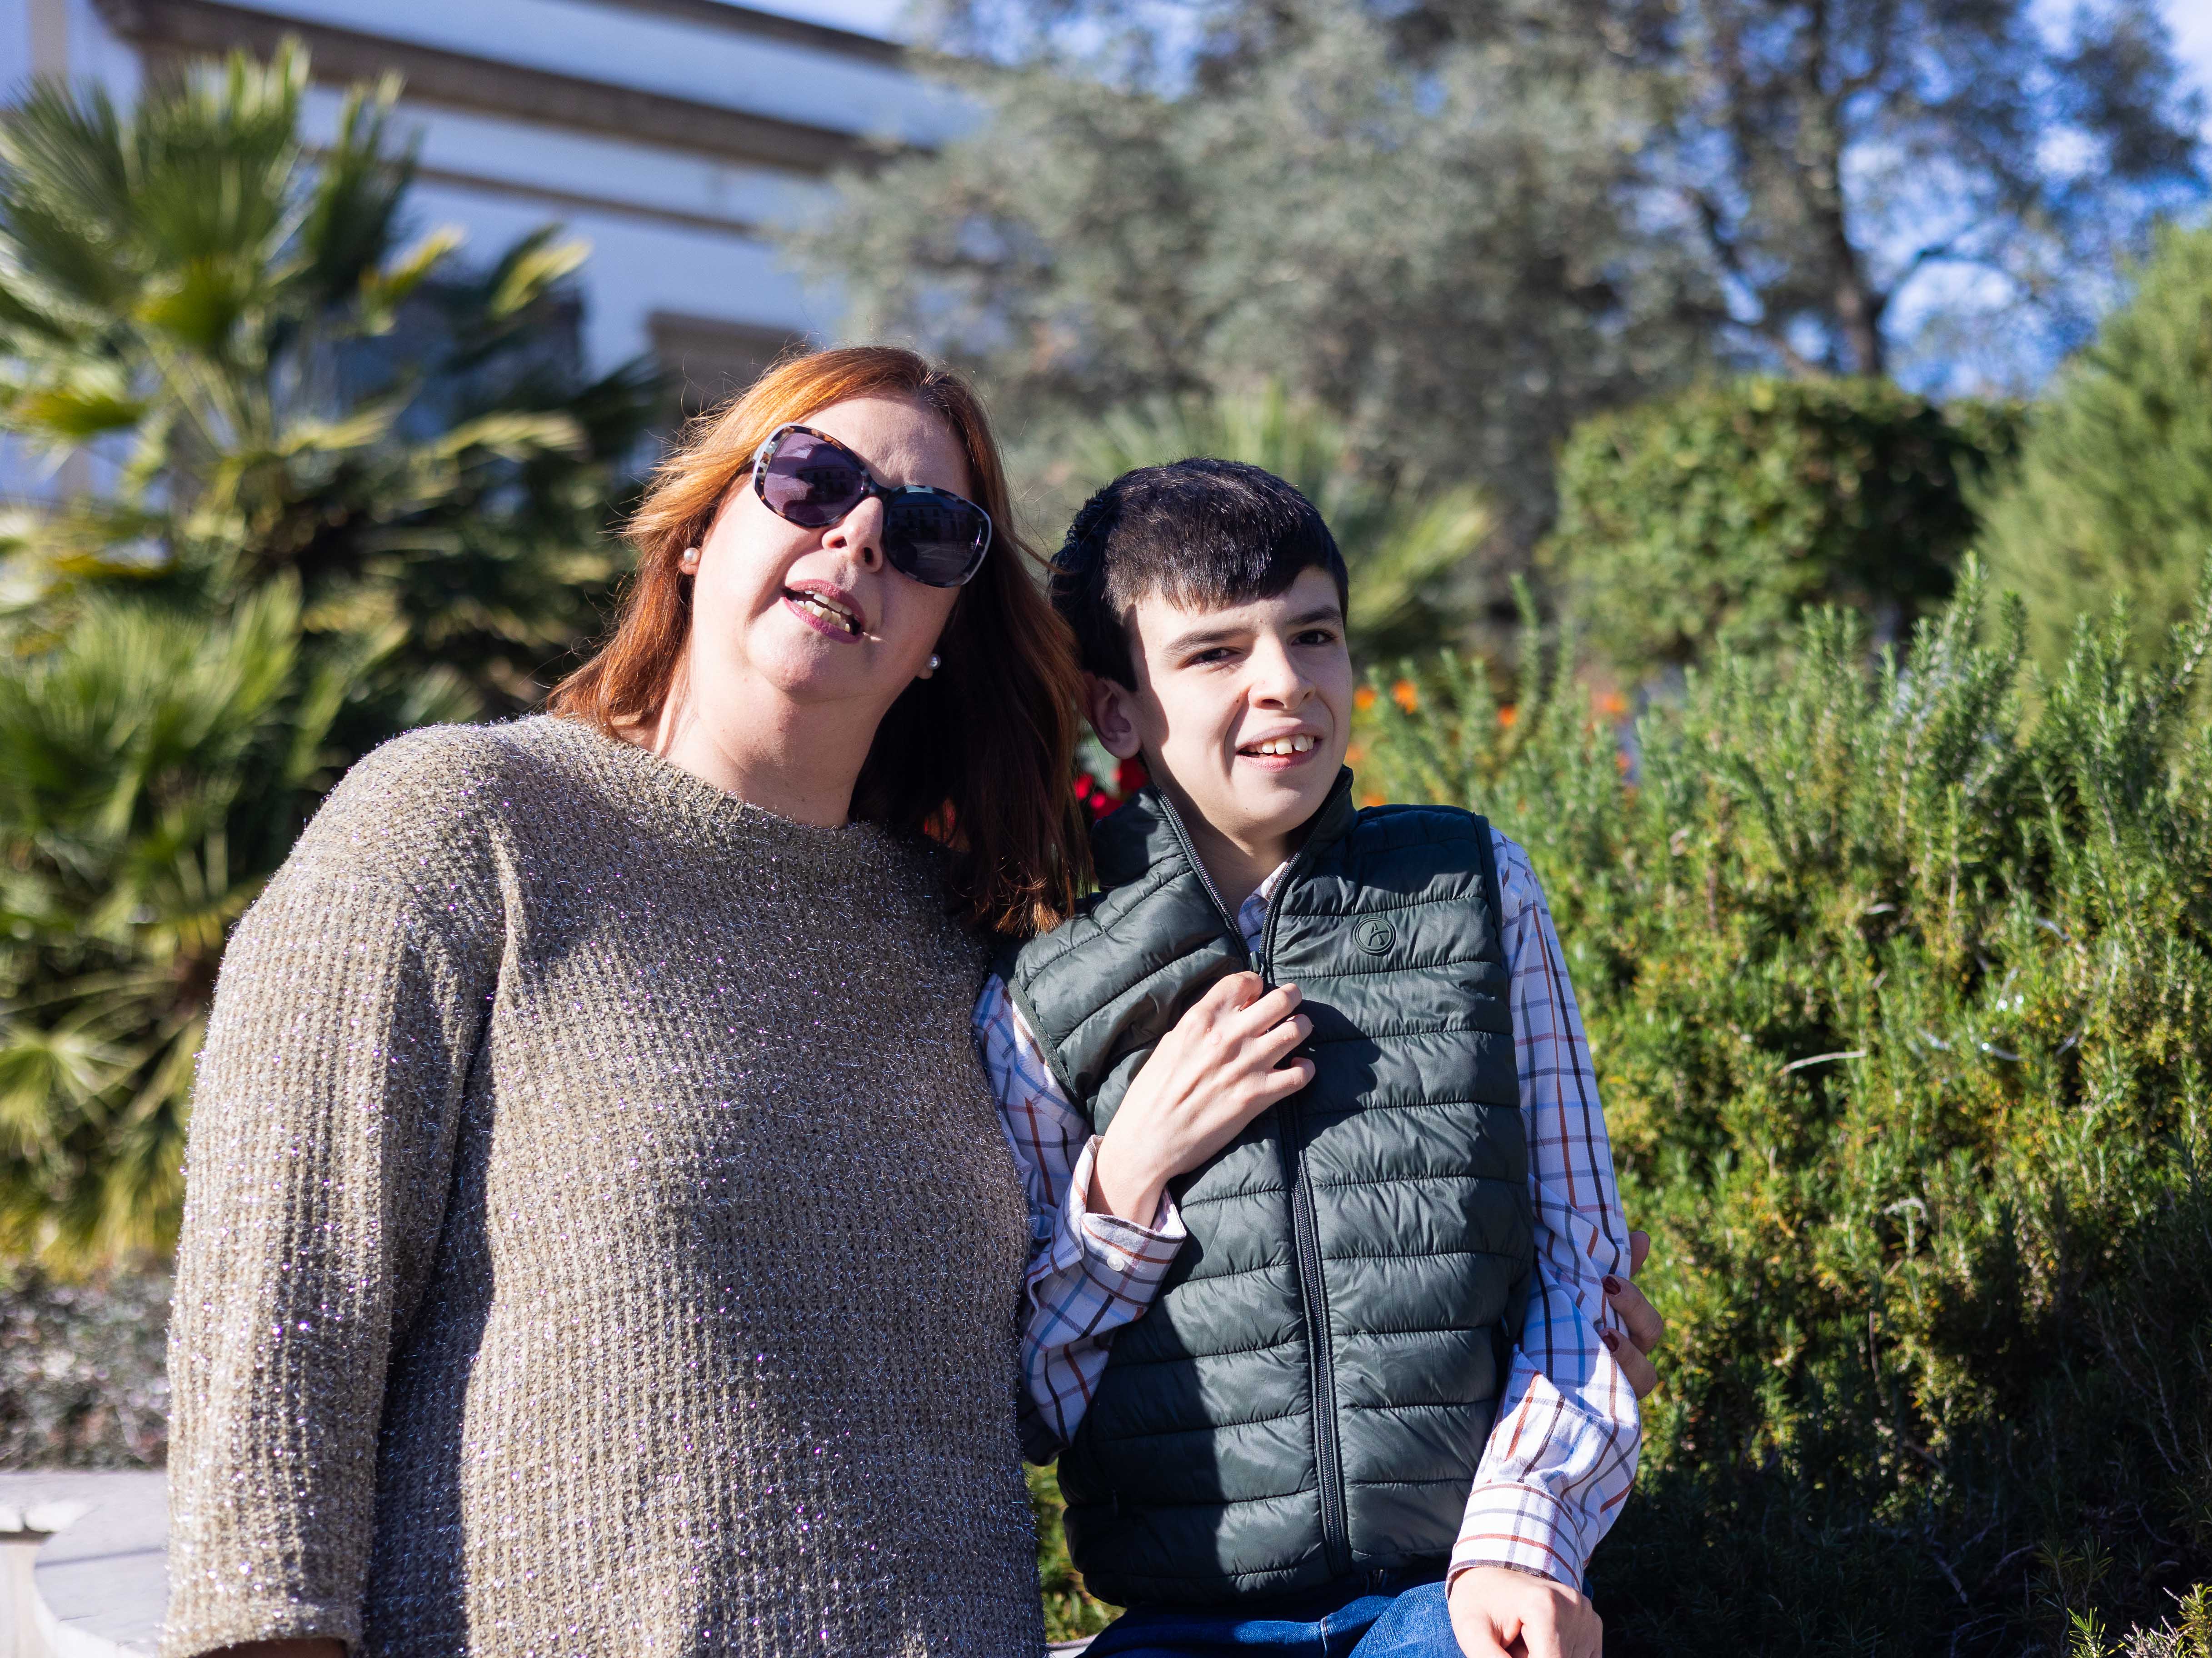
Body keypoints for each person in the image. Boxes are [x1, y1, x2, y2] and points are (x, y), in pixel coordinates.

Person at [160, 346, 1091, 1658]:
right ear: (703, 531)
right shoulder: (467, 824)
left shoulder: (965, 943)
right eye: (813, 480)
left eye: (933, 531)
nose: (865, 532)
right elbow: (284, 1291)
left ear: (948, 630)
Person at [989, 460, 1639, 1658]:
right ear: (1119, 709)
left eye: (1314, 635)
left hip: (1446, 1597)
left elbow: (1579, 1271)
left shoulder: (1471, 886)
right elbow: (1027, 1392)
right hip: (1177, 1625)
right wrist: (1131, 1177)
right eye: (1215, 654)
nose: (1284, 683)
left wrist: (1520, 1543)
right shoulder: (1041, 969)